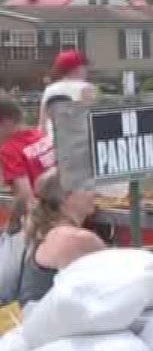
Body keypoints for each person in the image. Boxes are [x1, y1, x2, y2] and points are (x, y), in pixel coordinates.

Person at [10, 172, 104, 305]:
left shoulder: (47, 230)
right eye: (88, 189)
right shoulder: (75, 238)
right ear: (66, 197)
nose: (96, 194)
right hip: (53, 323)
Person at [0, 94, 56, 217]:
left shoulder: (9, 149)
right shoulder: (39, 135)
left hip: (43, 214)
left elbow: (26, 197)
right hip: (60, 203)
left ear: (6, 122)